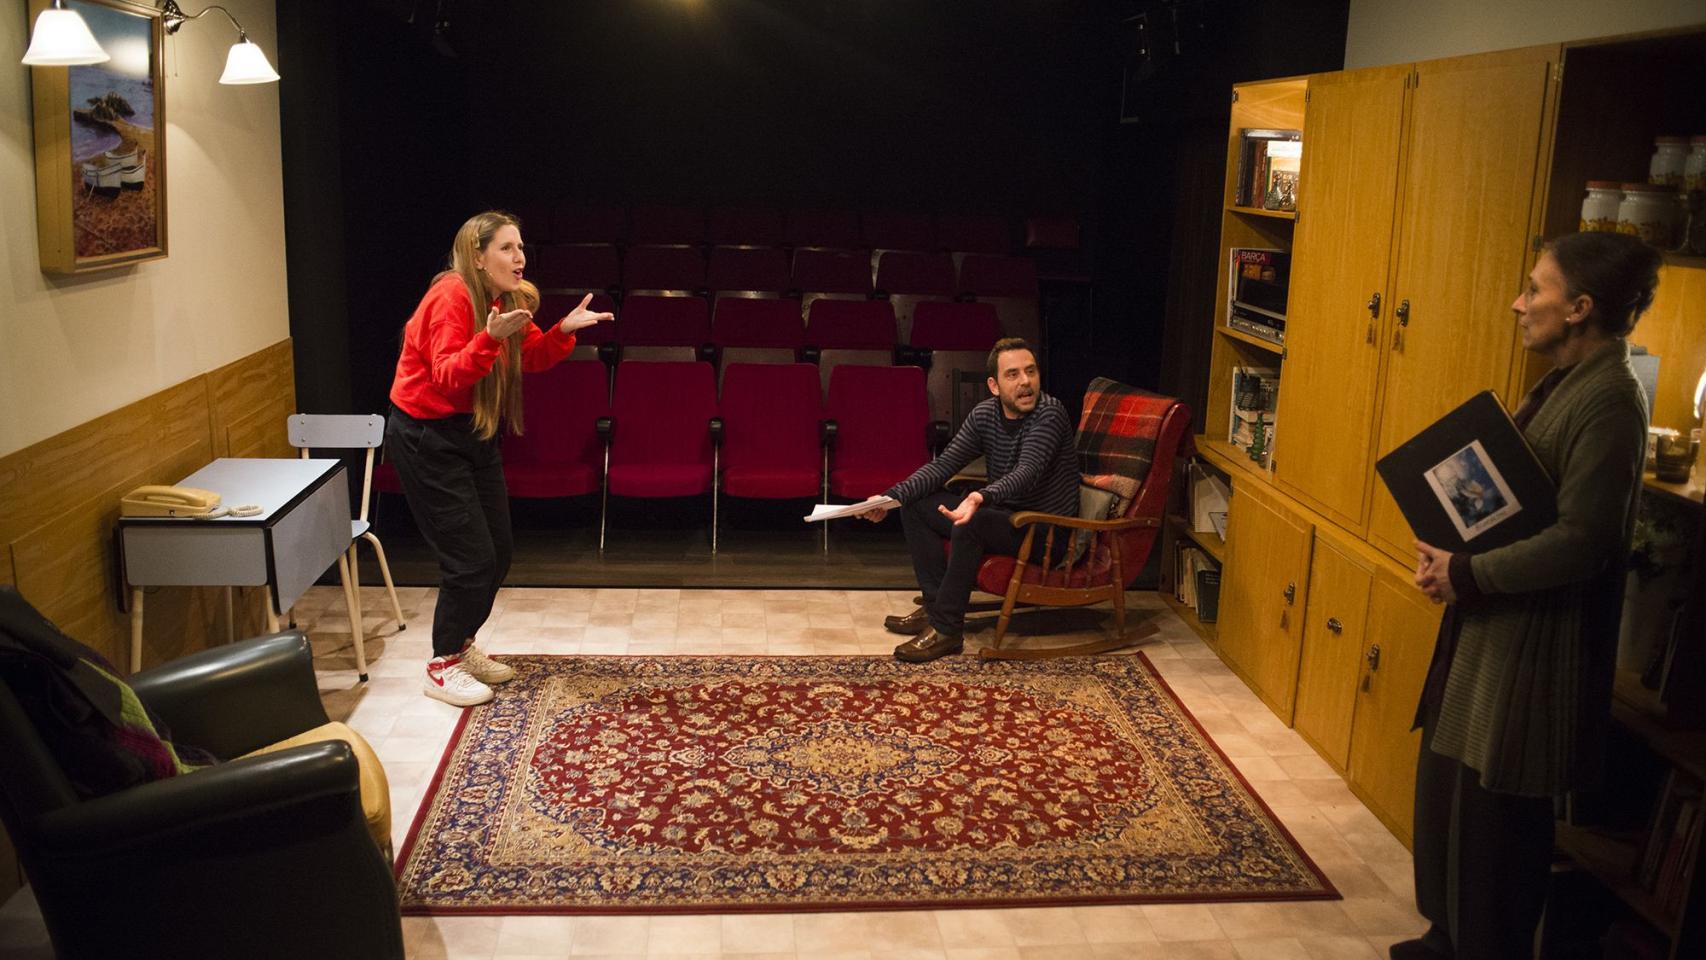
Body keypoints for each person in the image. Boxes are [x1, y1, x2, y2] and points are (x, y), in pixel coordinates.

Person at [1399, 232, 1660, 960]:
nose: (1519, 303)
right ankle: (1441, 940)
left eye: (1535, 289)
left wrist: (1469, 573)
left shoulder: (1611, 399)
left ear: (1580, 307)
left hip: (1530, 654)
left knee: (1494, 842)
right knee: (1448, 807)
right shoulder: (1563, 383)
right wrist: (1451, 555)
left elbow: (1584, 540)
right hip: (1487, 636)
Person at [386, 210, 612, 707]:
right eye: (507, 248)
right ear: (477, 255)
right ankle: (441, 663)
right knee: (469, 560)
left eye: (521, 247)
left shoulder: (501, 299)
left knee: (498, 552)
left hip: (473, 433)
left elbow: (529, 356)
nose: (520, 257)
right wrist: (489, 337)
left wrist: (563, 330)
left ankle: (462, 645)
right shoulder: (449, 296)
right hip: (427, 436)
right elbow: (446, 376)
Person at [857, 338, 1079, 662]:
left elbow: (1027, 472)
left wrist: (979, 496)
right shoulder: (985, 414)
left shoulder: (1049, 414)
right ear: (994, 385)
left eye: (1031, 372)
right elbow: (943, 466)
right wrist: (889, 497)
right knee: (916, 504)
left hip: (1045, 532)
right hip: (1007, 519)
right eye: (1013, 375)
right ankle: (935, 609)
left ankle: (947, 630)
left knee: (971, 520)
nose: (1026, 382)